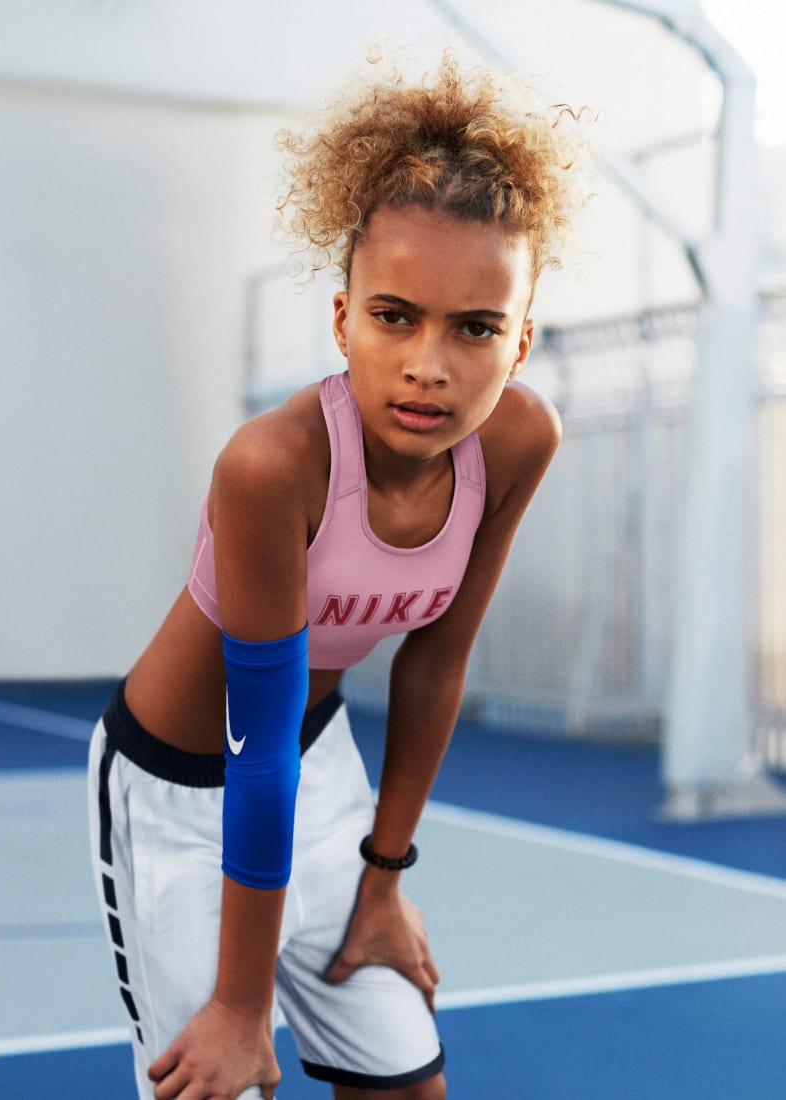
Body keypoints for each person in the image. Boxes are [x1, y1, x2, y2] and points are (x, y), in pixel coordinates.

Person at [88, 49, 591, 1100]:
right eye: (393, 314)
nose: (427, 363)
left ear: (521, 341)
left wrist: (382, 879)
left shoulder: (519, 442)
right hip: (182, 788)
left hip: (317, 774)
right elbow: (252, 741)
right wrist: (238, 1002)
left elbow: (435, 663)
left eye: (475, 327)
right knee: (223, 1086)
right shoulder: (271, 466)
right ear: (340, 318)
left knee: (406, 1084)